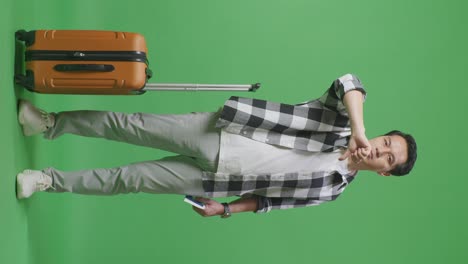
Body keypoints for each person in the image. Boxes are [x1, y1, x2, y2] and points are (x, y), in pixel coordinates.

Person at [15, 74, 417, 218]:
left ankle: (48, 181)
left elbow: (270, 202)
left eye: (387, 157)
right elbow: (349, 82)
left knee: (129, 179)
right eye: (385, 143)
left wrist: (227, 208)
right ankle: (48, 123)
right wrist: (360, 131)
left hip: (216, 181)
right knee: (130, 125)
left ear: (384, 171)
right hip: (221, 131)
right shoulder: (342, 122)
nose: (380, 150)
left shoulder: (332, 191)